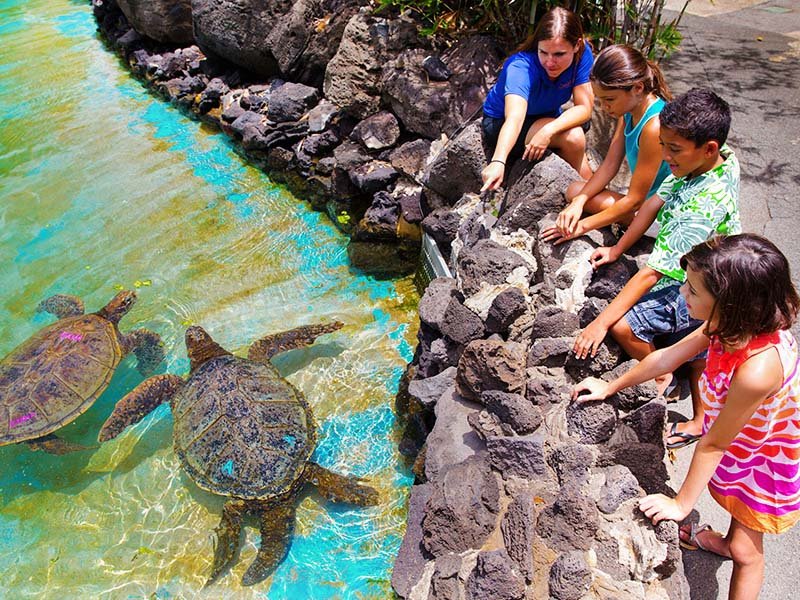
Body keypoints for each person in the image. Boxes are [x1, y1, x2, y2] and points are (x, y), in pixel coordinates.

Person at [572, 234, 800, 600]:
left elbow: (715, 443)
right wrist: (611, 386)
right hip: (740, 440)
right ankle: (725, 542)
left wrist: (681, 505)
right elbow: (668, 357)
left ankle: (733, 547)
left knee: (748, 553)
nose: (682, 294)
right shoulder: (725, 325)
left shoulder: (758, 368)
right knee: (738, 526)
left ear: (731, 302)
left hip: (762, 458)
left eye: (693, 290)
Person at [572, 88, 740, 449]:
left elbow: (653, 272)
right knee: (698, 348)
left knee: (624, 326)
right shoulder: (717, 158)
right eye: (664, 145)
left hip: (699, 286)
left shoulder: (699, 209)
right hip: (712, 280)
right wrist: (616, 248)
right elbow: (652, 204)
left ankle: (663, 375)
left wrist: (599, 324)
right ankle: (696, 408)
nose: (665, 156)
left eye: (674, 150)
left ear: (708, 147)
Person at [541, 44, 672, 243]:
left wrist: (582, 226)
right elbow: (610, 164)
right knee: (576, 192)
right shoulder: (629, 110)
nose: (604, 107)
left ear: (638, 88)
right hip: (644, 204)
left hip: (661, 216)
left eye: (609, 99)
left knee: (578, 193)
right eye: (600, 100)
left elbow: (635, 200)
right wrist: (579, 202)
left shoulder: (654, 126)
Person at [480, 6, 594, 191]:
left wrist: (548, 131)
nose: (550, 62)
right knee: (574, 136)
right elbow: (515, 118)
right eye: (543, 52)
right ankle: (590, 192)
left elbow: (585, 108)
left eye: (559, 54)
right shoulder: (521, 67)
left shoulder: (583, 55)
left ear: (577, 46)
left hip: (546, 117)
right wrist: (498, 161)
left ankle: (590, 193)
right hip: (502, 124)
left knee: (579, 125)